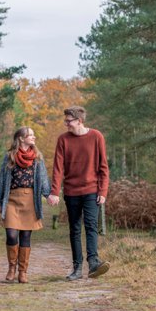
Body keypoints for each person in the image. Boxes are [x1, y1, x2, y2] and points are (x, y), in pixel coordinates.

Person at [47, 106, 110, 280]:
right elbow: (58, 168)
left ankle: (94, 263)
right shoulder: (63, 140)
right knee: (74, 229)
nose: (66, 124)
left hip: (91, 190)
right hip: (71, 191)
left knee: (90, 226)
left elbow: (103, 167)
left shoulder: (96, 136)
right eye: (65, 121)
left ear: (79, 121)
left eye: (69, 121)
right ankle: (77, 268)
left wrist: (103, 190)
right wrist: (54, 191)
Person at [0, 126, 51, 283]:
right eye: (30, 135)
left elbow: (44, 179)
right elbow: (1, 180)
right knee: (11, 234)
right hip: (11, 199)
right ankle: (11, 268)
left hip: (30, 200)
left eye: (33, 135)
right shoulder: (9, 157)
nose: (33, 137)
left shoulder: (37, 158)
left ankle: (22, 272)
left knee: (25, 236)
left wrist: (49, 195)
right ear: (21, 138)